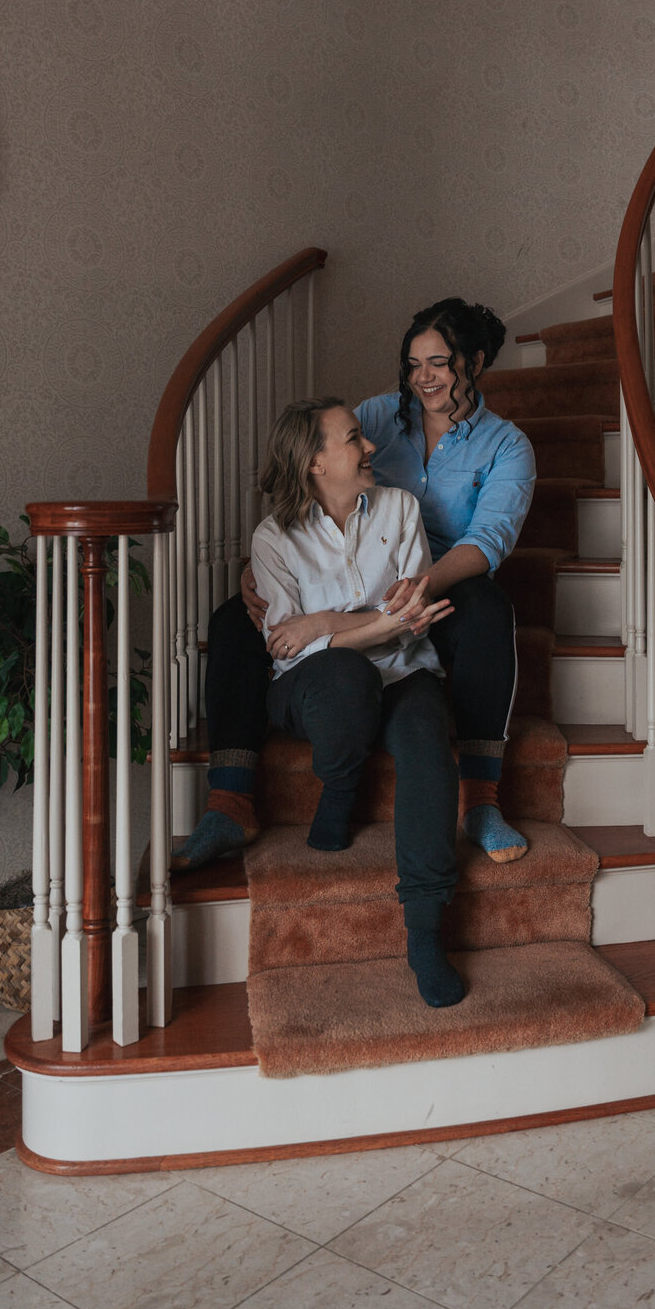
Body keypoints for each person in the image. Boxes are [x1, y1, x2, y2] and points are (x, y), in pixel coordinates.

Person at [173, 297, 536, 872]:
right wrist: (261, 565)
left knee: (488, 610)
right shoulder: (376, 416)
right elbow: (312, 466)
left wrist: (417, 585)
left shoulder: (507, 446)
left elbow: (487, 542)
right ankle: (230, 797)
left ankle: (482, 799)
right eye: (413, 364)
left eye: (439, 363)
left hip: (445, 580)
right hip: (360, 580)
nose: (423, 378)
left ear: (475, 361)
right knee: (231, 619)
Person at [248, 396, 464, 1007]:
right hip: (319, 689)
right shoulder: (274, 537)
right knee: (344, 675)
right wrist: (348, 630)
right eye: (352, 439)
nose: (370, 448)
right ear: (314, 462)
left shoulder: (399, 508)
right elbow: (286, 648)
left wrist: (320, 621)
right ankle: (340, 787)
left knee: (425, 737)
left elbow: (413, 618)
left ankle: (424, 931)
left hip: (402, 672)